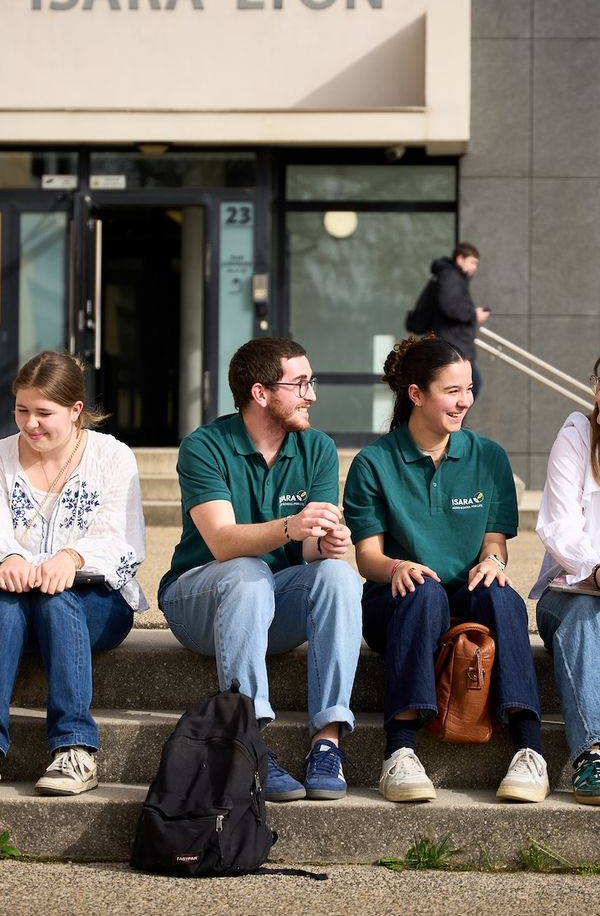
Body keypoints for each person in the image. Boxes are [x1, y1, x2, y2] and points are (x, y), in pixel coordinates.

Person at [343, 334, 548, 804]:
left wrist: (494, 560)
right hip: (396, 603)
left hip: (467, 597)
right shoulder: (373, 464)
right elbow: (368, 557)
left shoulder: (489, 457)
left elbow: (494, 540)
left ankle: (530, 751)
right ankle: (399, 752)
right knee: (424, 589)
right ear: (416, 394)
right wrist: (397, 566)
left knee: (503, 597)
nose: (465, 402)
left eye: (469, 389)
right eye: (453, 391)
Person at [159, 336, 362, 802]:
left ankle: (327, 741)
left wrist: (327, 543)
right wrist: (292, 526)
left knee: (339, 575)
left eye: (312, 382)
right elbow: (222, 541)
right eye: (301, 383)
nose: (312, 395)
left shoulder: (318, 449)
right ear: (261, 392)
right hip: (200, 603)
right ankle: (248, 742)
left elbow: (307, 550)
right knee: (247, 572)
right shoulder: (205, 446)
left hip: (273, 601)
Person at [0, 351, 146, 795]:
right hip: (14, 604)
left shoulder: (113, 458)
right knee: (6, 609)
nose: (31, 424)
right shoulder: (1, 457)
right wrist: (8, 557)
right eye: (22, 410)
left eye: (44, 413)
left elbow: (125, 543)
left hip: (96, 604)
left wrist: (72, 558)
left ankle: (74, 749)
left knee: (55, 596)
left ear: (76, 410)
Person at [531, 358, 600, 805]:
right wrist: (597, 570)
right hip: (569, 591)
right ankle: (592, 754)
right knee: (583, 613)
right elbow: (558, 528)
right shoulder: (579, 433)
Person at [428, 242, 490, 399]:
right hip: (453, 344)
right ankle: (452, 423)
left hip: (454, 343)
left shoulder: (451, 277)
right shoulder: (451, 276)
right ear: (460, 259)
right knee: (471, 386)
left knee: (463, 388)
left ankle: (451, 422)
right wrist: (473, 315)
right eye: (472, 262)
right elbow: (449, 306)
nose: (475, 267)